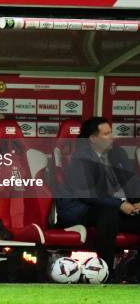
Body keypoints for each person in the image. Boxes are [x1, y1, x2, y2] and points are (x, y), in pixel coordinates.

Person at [56, 117, 140, 279]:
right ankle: (105, 272)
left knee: (113, 212)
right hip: (80, 209)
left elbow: (132, 182)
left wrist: (137, 202)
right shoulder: (80, 159)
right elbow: (87, 195)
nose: (112, 137)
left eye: (111, 132)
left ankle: (134, 272)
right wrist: (119, 204)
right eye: (107, 134)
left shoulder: (118, 153)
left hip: (111, 208)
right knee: (109, 213)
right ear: (93, 139)